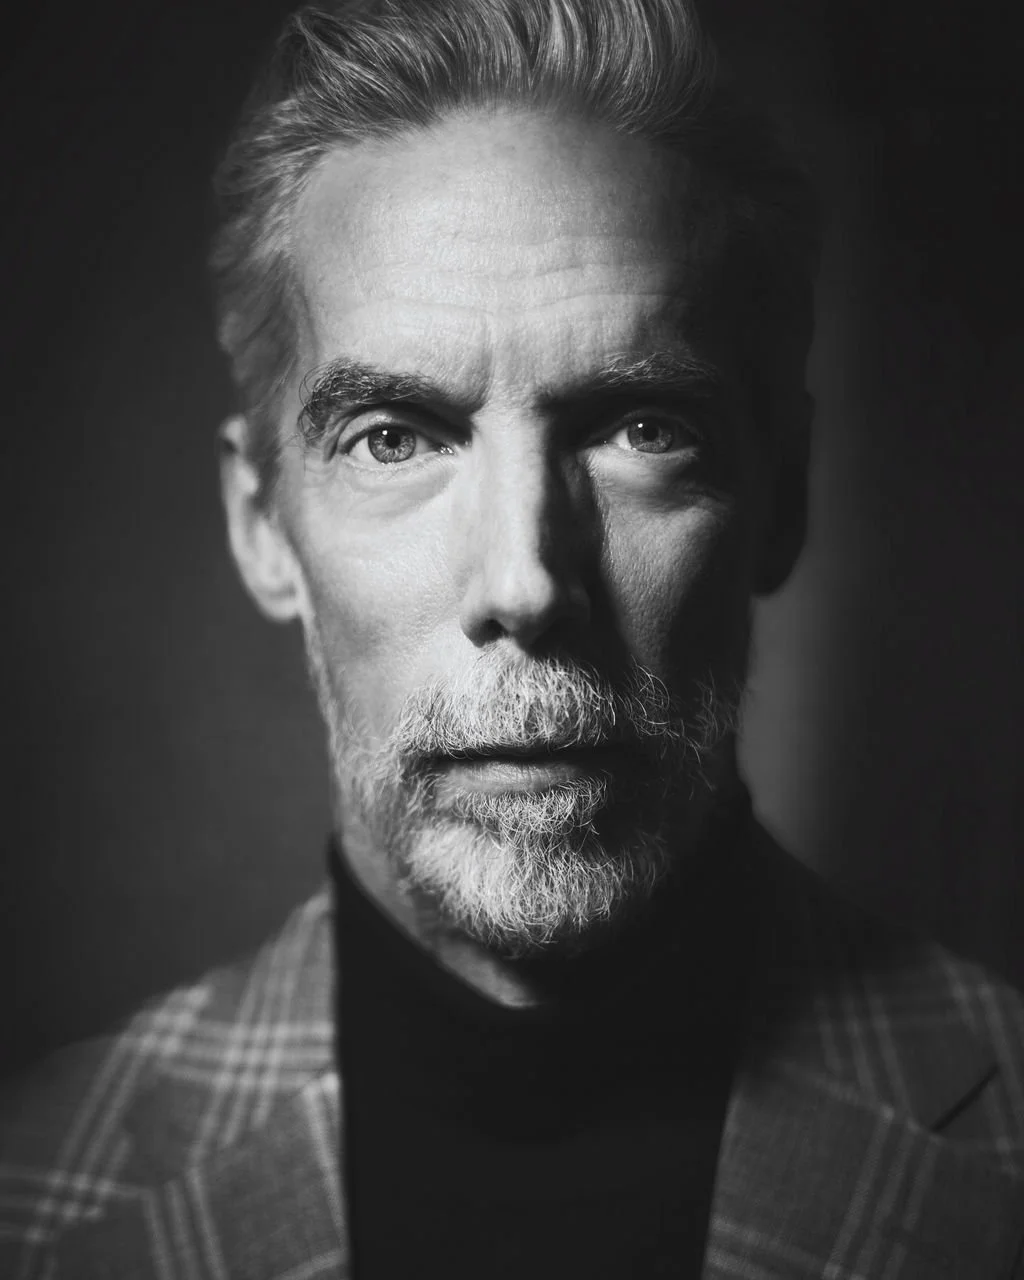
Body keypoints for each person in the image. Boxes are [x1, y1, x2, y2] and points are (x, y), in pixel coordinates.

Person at [2, 0, 1023, 1275]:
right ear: (264, 524)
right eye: (396, 436)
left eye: (642, 427)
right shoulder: (32, 1199)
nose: (527, 579)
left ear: (785, 493)